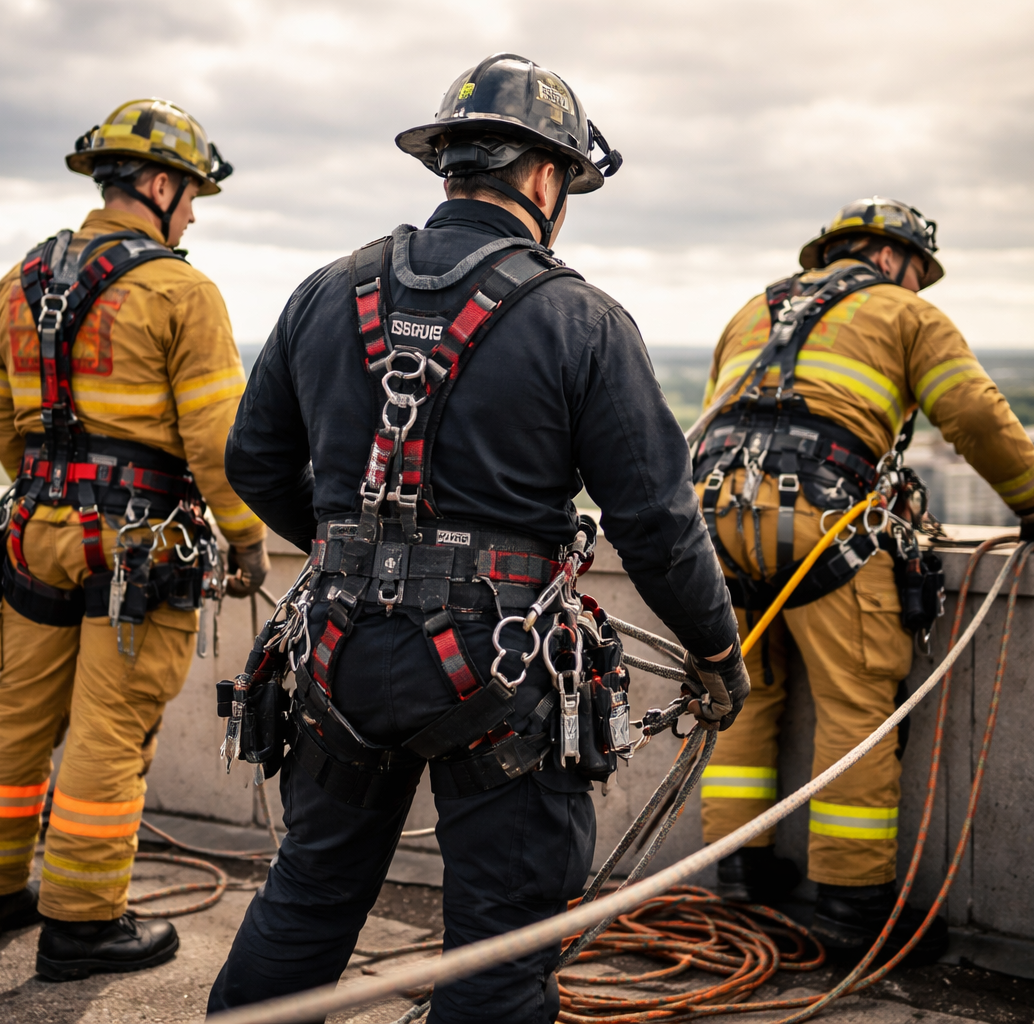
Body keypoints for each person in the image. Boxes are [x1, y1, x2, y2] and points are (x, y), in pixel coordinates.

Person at [207, 54, 749, 1024]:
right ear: (546, 177)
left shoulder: (325, 294)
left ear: (450, 164)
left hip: (337, 654)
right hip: (492, 671)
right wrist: (716, 650)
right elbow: (657, 523)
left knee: (311, 893)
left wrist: (352, 557)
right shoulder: (580, 319)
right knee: (498, 942)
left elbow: (252, 464)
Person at [692, 196, 1034, 962]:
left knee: (746, 694)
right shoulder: (904, 312)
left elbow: (717, 417)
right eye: (917, 272)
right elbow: (972, 412)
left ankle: (739, 880)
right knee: (856, 704)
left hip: (717, 520)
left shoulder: (752, 310)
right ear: (897, 258)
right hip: (822, 522)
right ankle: (850, 905)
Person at [0, 98, 268, 978]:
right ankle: (83, 925)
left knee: (18, 711)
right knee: (109, 729)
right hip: (139, 546)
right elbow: (214, 438)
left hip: (34, 531)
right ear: (159, 184)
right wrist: (246, 542)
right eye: (193, 193)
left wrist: (55, 484)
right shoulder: (180, 289)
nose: (195, 212)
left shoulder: (16, 282)